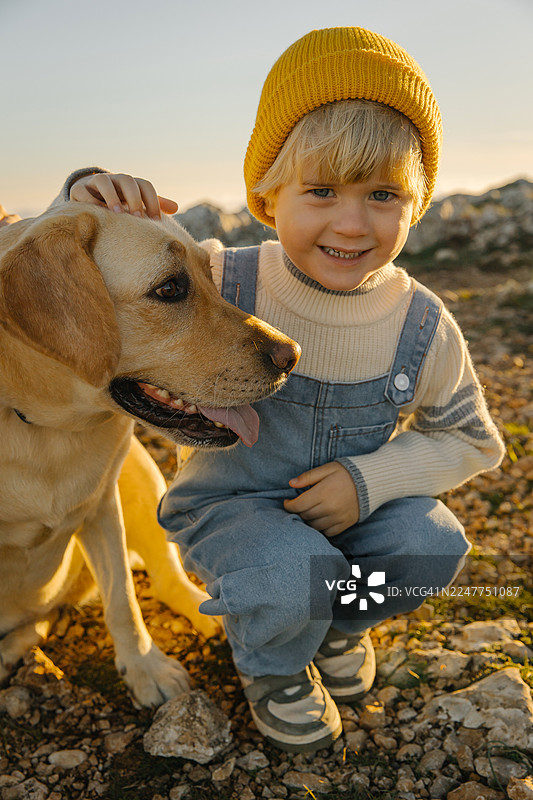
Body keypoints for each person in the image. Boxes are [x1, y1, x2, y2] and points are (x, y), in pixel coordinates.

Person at [60, 27, 504, 753]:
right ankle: (272, 663)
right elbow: (108, 263)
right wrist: (86, 191)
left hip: (344, 516)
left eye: (383, 193)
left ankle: (330, 626)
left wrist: (368, 481)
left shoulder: (418, 322)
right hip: (235, 513)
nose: (351, 222)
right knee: (289, 571)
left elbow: (472, 438)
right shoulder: (217, 278)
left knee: (428, 543)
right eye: (320, 190)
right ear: (267, 194)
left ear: (416, 201)